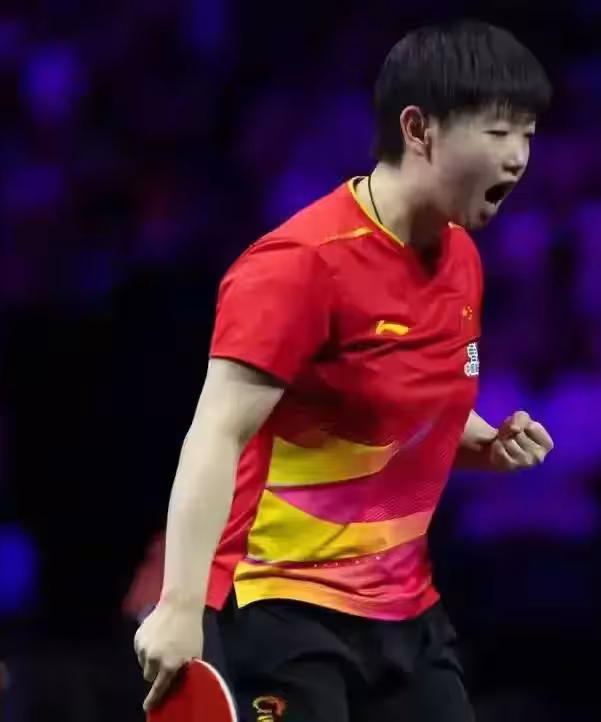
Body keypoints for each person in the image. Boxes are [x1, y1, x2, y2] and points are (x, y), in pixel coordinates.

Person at [134, 19, 555, 721]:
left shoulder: (460, 259)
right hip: (282, 608)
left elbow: (392, 404)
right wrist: (177, 605)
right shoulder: (301, 265)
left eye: (529, 135)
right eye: (498, 132)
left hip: (405, 611)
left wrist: (482, 441)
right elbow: (217, 431)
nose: (518, 157)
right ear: (418, 129)